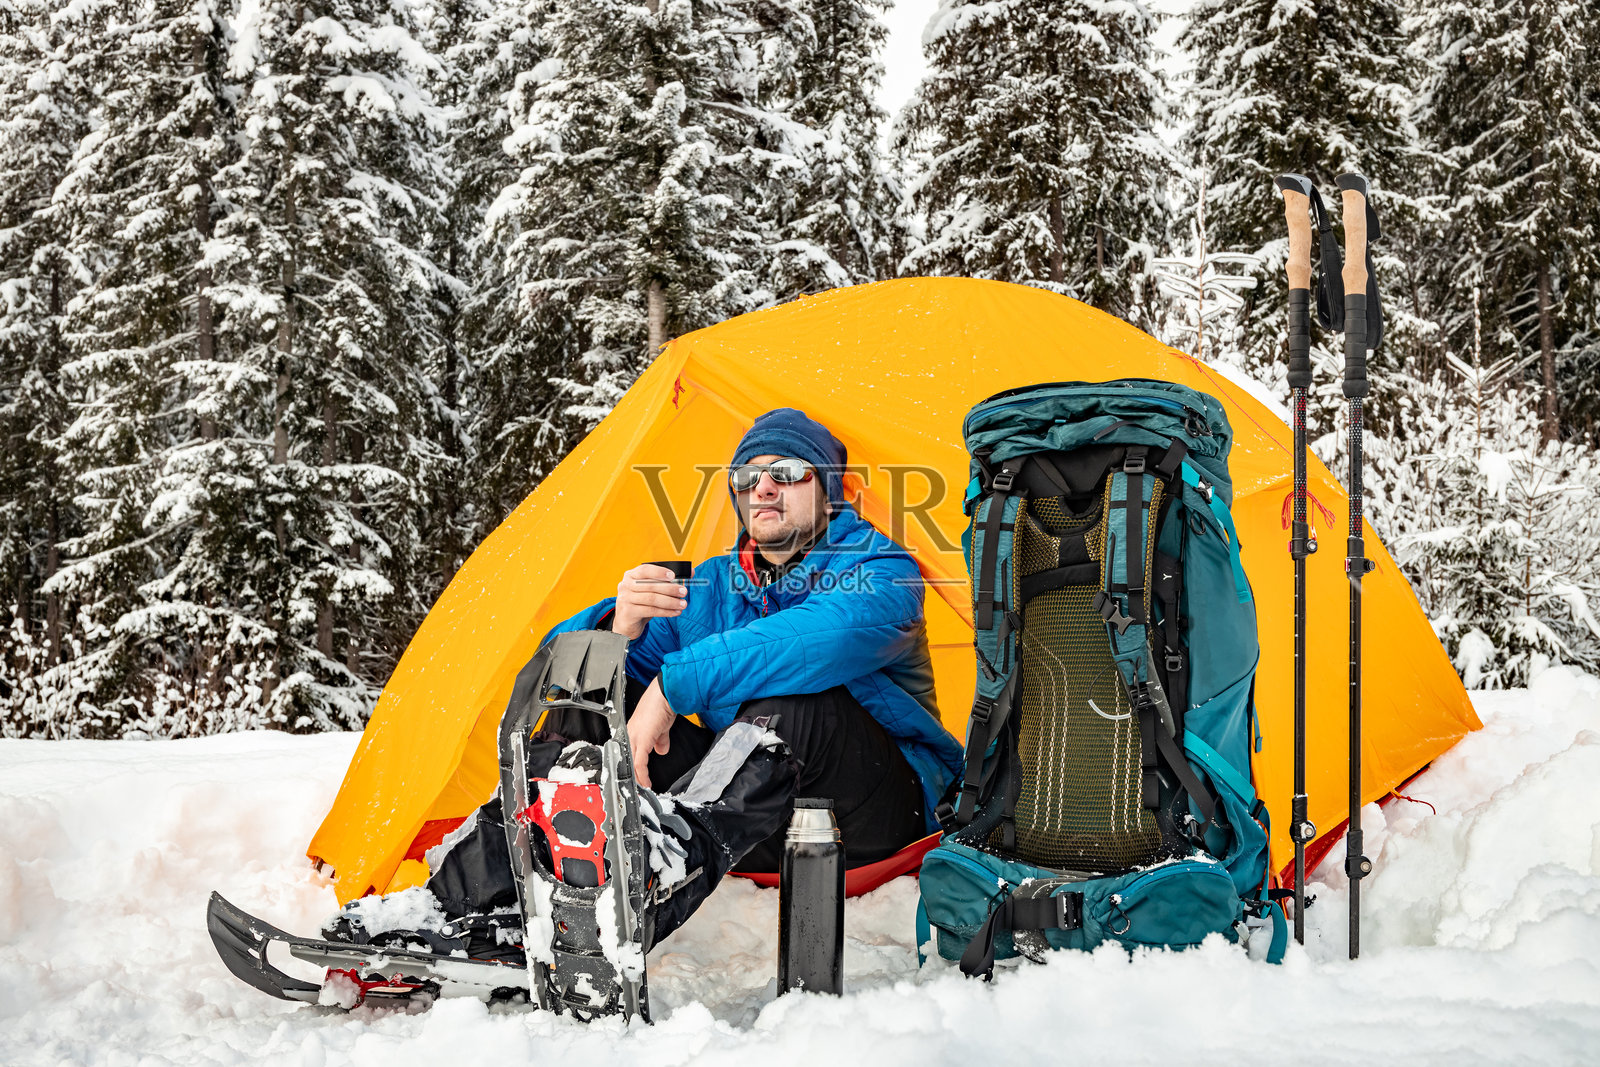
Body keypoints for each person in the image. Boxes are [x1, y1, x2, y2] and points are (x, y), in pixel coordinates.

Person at [327, 408, 963, 956]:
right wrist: (618, 627)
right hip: (750, 829)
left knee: (795, 698)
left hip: (873, 820)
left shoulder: (880, 569)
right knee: (589, 696)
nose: (764, 488)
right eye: (748, 477)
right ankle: (460, 902)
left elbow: (819, 639)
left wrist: (669, 691)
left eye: (788, 474)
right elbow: (557, 676)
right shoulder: (710, 584)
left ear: (830, 492)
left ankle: (636, 891)